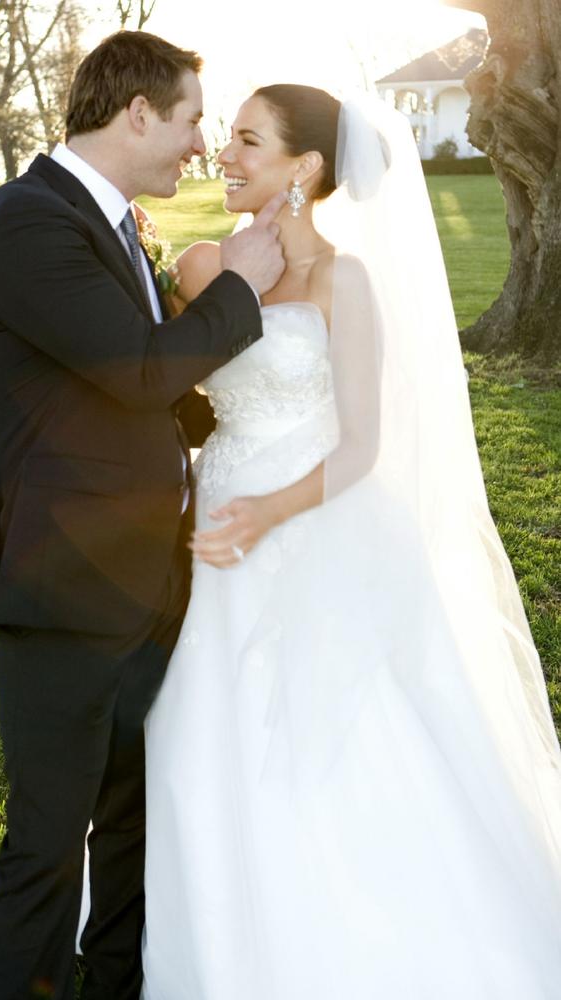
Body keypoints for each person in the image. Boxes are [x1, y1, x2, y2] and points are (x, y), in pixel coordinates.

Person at [141, 85, 561, 999]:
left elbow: (366, 445)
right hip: (214, 537)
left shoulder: (346, 282)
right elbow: (160, 385)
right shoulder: (200, 268)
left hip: (314, 530)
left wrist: (269, 513)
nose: (226, 154)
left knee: (344, 735)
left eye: (249, 142)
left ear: (306, 168)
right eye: (227, 138)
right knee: (209, 732)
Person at [0, 30, 286, 1000]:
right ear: (135, 112)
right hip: (64, 591)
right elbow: (137, 373)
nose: (199, 145)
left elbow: (162, 398)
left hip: (148, 584)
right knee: (49, 848)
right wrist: (239, 288)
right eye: (190, 121)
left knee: (133, 838)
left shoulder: (112, 222)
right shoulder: (27, 222)